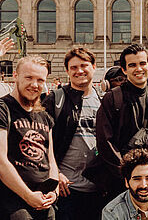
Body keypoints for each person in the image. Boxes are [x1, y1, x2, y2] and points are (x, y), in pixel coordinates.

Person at [87, 44, 148, 199]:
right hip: (119, 181)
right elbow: (104, 141)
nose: (138, 69)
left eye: (142, 64)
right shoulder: (112, 99)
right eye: (132, 65)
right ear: (124, 69)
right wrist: (127, 174)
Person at [0, 56, 59, 220]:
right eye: (29, 78)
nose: (34, 84)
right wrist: (28, 195)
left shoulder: (44, 116)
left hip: (44, 201)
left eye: (40, 80)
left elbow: (50, 159)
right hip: (11, 203)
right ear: (15, 76)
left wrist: (54, 191)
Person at [47, 47, 106, 220]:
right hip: (67, 189)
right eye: (73, 67)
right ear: (67, 71)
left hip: (98, 188)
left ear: (94, 67)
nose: (79, 71)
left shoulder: (104, 100)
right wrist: (55, 173)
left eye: (84, 66)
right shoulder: (56, 99)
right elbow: (43, 141)